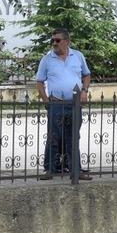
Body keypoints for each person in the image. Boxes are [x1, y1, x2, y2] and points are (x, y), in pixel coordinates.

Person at [36, 28, 92, 181]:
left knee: (73, 137)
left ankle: (76, 169)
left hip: (74, 104)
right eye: (52, 40)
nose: (54, 43)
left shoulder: (78, 56)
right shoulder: (47, 59)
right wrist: (46, 100)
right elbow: (39, 82)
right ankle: (50, 169)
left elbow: (86, 75)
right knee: (53, 137)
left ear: (67, 42)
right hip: (56, 103)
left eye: (58, 40)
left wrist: (84, 91)